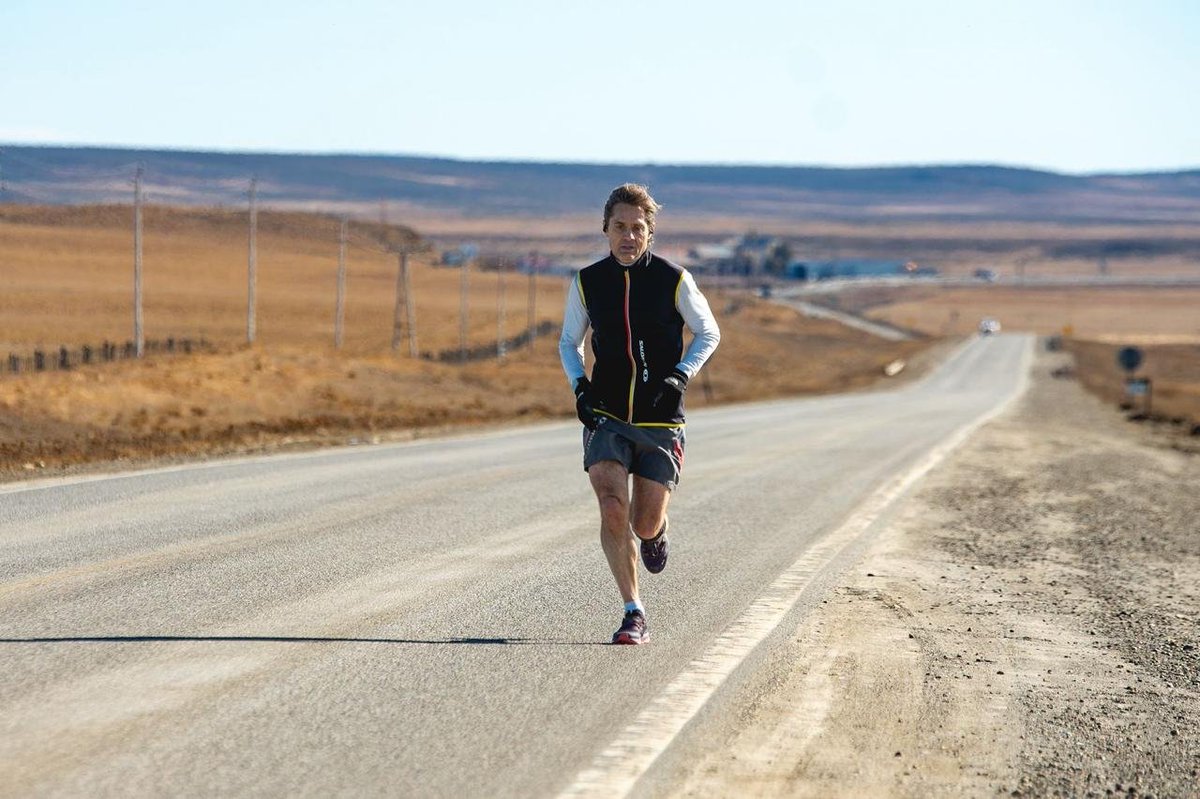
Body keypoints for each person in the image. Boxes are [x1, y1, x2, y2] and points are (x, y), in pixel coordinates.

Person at [558, 183, 721, 645]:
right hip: (606, 414)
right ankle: (634, 612)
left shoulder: (674, 279)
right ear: (606, 230)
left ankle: (655, 532)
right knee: (612, 506)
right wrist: (580, 386)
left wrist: (680, 376)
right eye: (620, 227)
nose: (628, 236)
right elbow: (569, 342)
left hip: (659, 417)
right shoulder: (588, 282)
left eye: (637, 228)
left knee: (643, 523)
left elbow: (708, 333)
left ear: (650, 233)